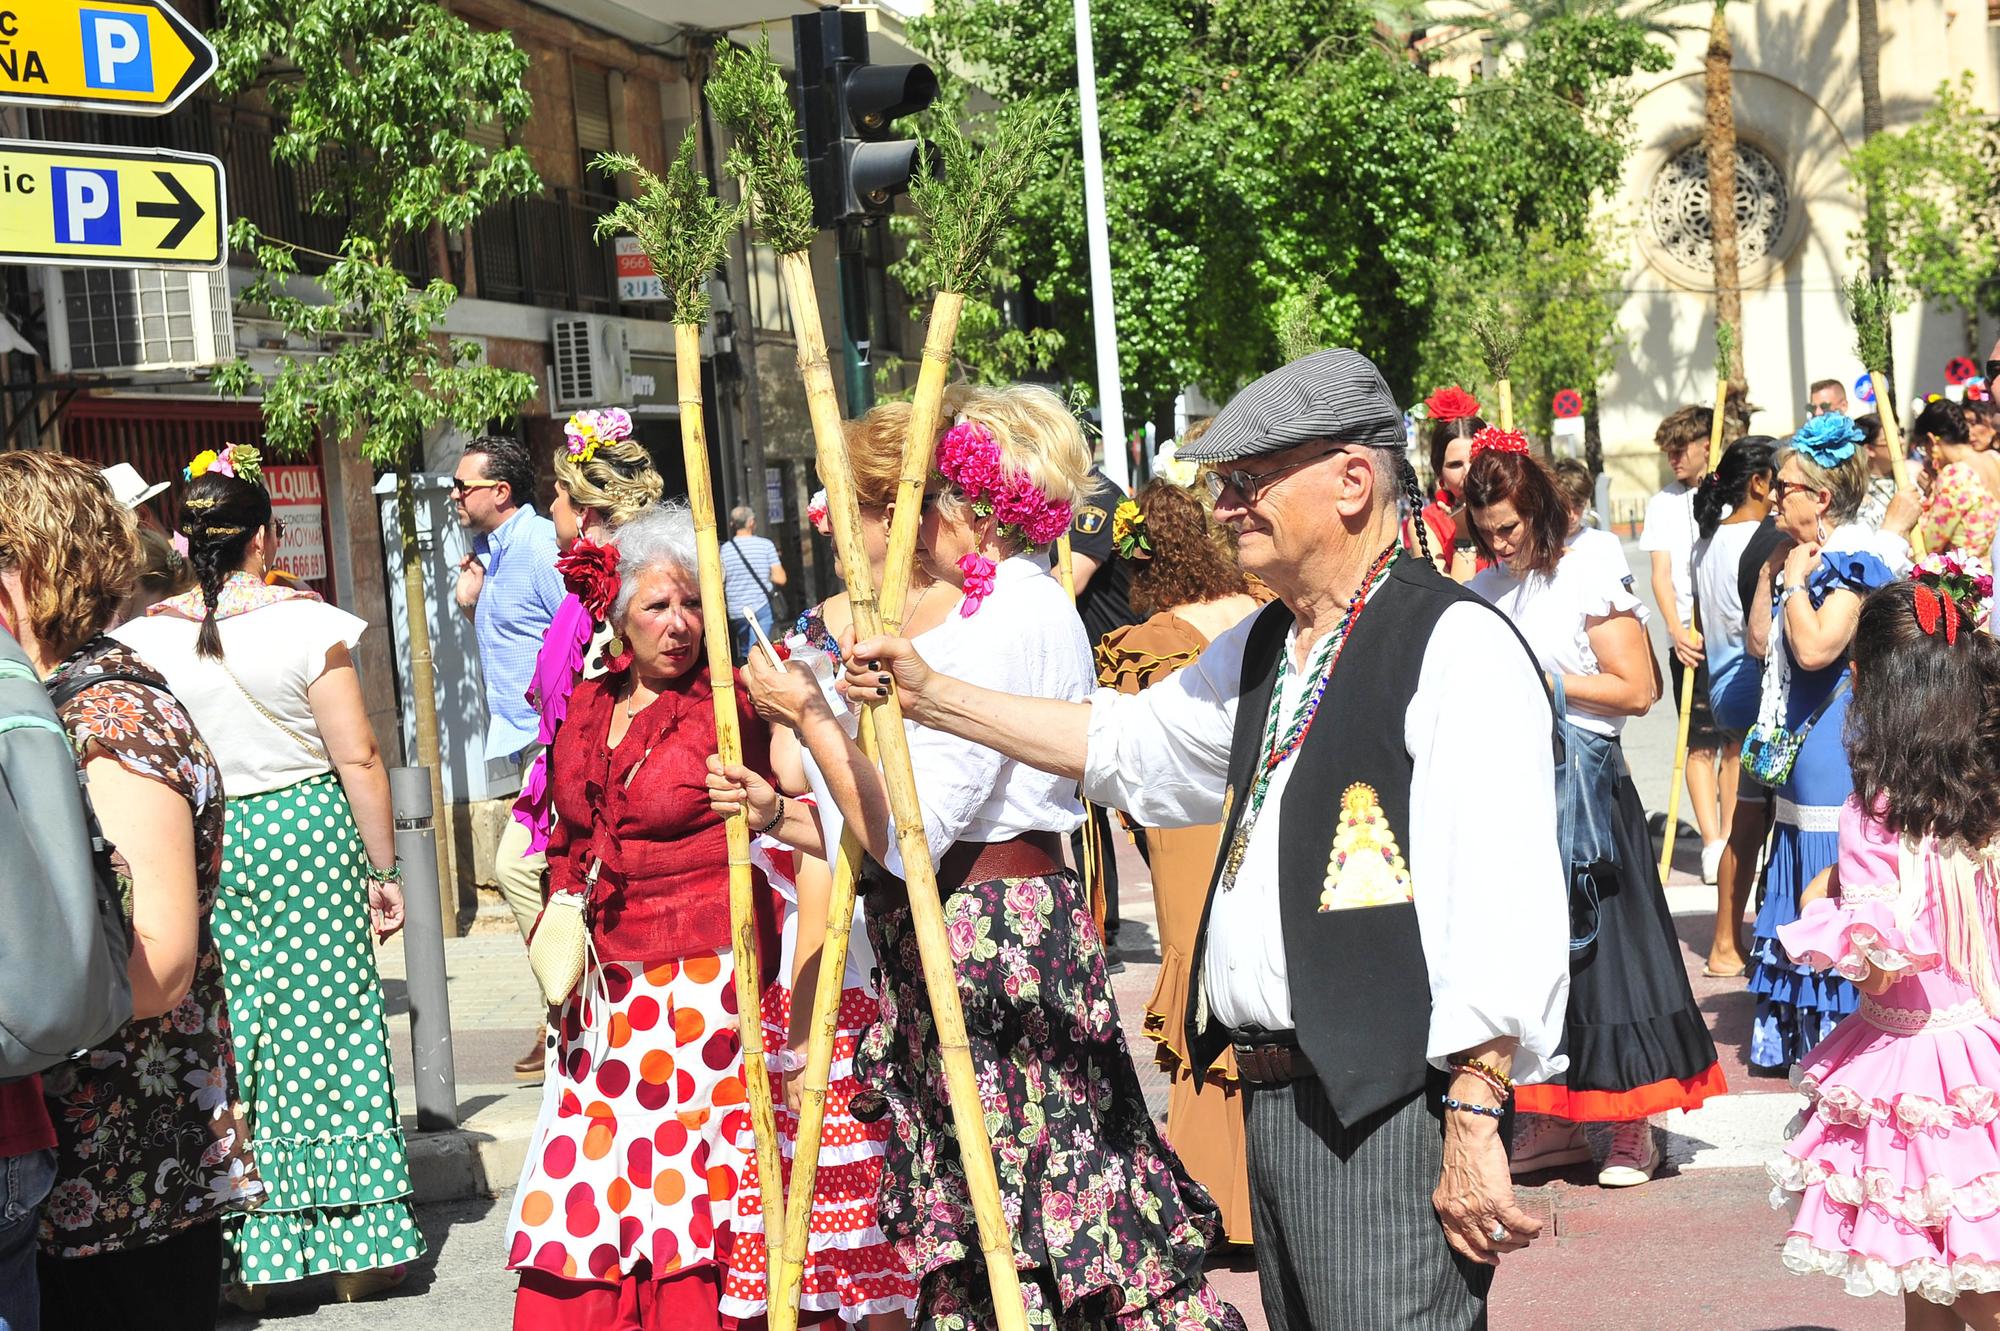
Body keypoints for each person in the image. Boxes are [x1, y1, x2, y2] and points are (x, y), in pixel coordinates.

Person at [819, 351, 1569, 1330]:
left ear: (1351, 481)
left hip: (1387, 1110)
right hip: (1278, 1103)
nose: (1221, 506)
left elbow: (1504, 896)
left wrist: (1475, 1109)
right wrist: (933, 694)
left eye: (1249, 481)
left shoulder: (1450, 643)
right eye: (1220, 482)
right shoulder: (1268, 644)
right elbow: (1124, 745)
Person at [735, 382, 1244, 1330]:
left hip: (991, 937)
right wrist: (794, 779)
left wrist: (810, 713)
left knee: (1049, 1206)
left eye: (909, 502)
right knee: (984, 1220)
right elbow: (879, 822)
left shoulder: (1010, 610)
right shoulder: (981, 607)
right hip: (953, 941)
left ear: (951, 503)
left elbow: (913, 829)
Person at [115, 447, 420, 1306]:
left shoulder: (141, 640)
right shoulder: (305, 622)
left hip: (200, 839)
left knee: (231, 1038)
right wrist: (382, 865)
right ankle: (357, 1246)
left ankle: (253, 1250)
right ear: (265, 536)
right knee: (331, 1030)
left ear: (184, 543)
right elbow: (357, 752)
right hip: (307, 834)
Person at [503, 502, 782, 1331]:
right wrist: (559, 922)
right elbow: (564, 832)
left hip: (707, 990)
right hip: (606, 992)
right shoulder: (588, 703)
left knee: (691, 1187)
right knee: (598, 1173)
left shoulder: (727, 705)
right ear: (620, 614)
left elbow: (792, 803)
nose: (680, 623)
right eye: (658, 606)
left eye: (693, 604)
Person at [0, 451, 261, 1331]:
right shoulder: (48, 697)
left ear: (33, 564)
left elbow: (163, 960)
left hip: (124, 1161)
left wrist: (28, 1021)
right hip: (80, 1150)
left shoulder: (109, 712)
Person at [711, 401, 950, 1328]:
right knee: (827, 1244)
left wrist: (811, 726)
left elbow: (897, 829)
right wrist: (775, 807)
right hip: (822, 957)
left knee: (889, 1242)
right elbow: (817, 815)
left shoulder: (940, 628)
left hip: (896, 954)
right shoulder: (810, 630)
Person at [1463, 431, 1721, 1189]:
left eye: (1509, 527)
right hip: (1515, 787)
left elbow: (1637, 690)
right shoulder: (1483, 590)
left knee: (1608, 955)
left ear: (1539, 505)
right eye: (1487, 533)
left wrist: (1543, 678)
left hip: (1588, 788)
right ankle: (1547, 1117)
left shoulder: (1591, 566)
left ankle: (1628, 1127)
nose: (1500, 543)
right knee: (1532, 957)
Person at [1768, 571, 2000, 1324]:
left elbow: (1875, 958)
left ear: (1863, 680)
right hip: (1984, 1047)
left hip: (1912, 1061)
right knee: (1962, 1259)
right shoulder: (1985, 789)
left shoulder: (1872, 812)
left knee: (1932, 1273)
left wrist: (1821, 905)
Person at [1096, 478, 1261, 1242]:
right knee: (1252, 969)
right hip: (1256, 812)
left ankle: (1219, 1197)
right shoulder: (1259, 607)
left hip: (1185, 822)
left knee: (1195, 972)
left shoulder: (1154, 639)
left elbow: (1130, 762)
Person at [1743, 413, 1912, 1074]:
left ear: (1821, 495)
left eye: (1785, 485)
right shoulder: (1802, 556)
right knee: (1796, 846)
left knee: (1827, 859)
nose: (1773, 495)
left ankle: (1841, 1024)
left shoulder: (1851, 563)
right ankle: (1801, 1024)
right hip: (1797, 754)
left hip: (1834, 748)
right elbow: (1763, 644)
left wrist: (1790, 587)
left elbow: (1815, 648)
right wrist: (1772, 582)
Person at [453, 433, 569, 1082]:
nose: (455, 497)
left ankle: (564, 1002)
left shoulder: (535, 548)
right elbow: (513, 639)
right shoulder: (490, 554)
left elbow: (579, 632)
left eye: (463, 486)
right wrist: (471, 606)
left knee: (515, 867)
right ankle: (561, 1005)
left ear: (500, 491)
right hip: (529, 738)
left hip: (558, 739)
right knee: (545, 874)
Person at [512, 411, 665, 858]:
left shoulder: (620, 586)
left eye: (556, 496)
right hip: (569, 759)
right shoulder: (583, 587)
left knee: (521, 870)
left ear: (582, 511)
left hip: (602, 774)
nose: (550, 508)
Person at [1691, 438, 1778, 978]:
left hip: (1722, 687)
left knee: (1750, 816)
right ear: (1759, 483)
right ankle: (1728, 940)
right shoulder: (1762, 538)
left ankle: (1729, 939)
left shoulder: (1707, 539)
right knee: (1755, 818)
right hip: (1752, 689)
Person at [1644, 404, 1727, 884]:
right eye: (1668, 450)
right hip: (1689, 640)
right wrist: (1675, 630)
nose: (1675, 458)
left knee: (1734, 743)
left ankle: (1735, 834)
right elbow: (1659, 573)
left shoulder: (1727, 495)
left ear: (1705, 446)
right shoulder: (1662, 504)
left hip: (1729, 635)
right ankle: (1712, 843)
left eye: (1682, 448)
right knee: (1698, 742)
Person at [1065, 458, 1141, 943]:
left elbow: (1069, 578)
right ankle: (1102, 917)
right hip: (1097, 667)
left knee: (1136, 805)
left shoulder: (1093, 497)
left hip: (1118, 668)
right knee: (1089, 805)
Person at [1913, 399, 2000, 560]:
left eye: (1923, 446)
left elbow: (1929, 542)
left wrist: (1928, 496)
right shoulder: (1994, 458)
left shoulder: (1954, 475)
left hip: (1973, 579)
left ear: (1931, 440)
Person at [1419, 385, 1485, 579]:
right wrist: (1463, 535)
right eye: (1455, 465)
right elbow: (1450, 601)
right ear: (1441, 475)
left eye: (1476, 460)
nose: (1469, 472)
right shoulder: (1426, 523)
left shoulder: (1513, 506)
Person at [722, 504, 787, 665]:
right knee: (759, 651)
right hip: (761, 607)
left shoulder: (724, 550)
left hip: (737, 611)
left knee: (746, 651)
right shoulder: (766, 545)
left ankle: (746, 682)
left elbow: (720, 581)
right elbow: (781, 578)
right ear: (751, 522)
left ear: (732, 524)